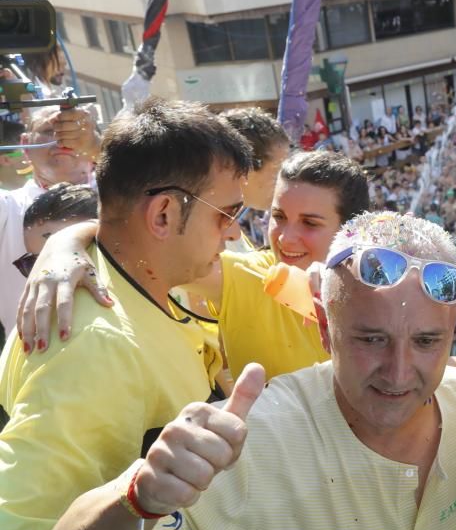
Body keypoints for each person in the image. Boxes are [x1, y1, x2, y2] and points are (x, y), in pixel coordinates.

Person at [35, 212, 456, 530]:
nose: (399, 372)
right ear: (323, 326)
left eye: (426, 342)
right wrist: (138, 498)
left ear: (452, 331)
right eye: (370, 339)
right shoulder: (244, 446)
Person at [0, 98, 252, 530]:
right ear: (162, 214)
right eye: (227, 214)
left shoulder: (143, 274)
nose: (233, 233)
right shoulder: (95, 345)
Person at [22, 150, 370, 381]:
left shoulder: (390, 290)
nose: (286, 238)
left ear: (351, 229)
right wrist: (63, 245)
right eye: (278, 217)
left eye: (309, 223)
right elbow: (140, 233)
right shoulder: (248, 277)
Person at [0, 105, 98, 336]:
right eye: (48, 130)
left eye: (75, 130)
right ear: (25, 144)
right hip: (35, 364)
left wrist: (98, 147)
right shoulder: (8, 207)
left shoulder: (124, 198)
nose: (62, 139)